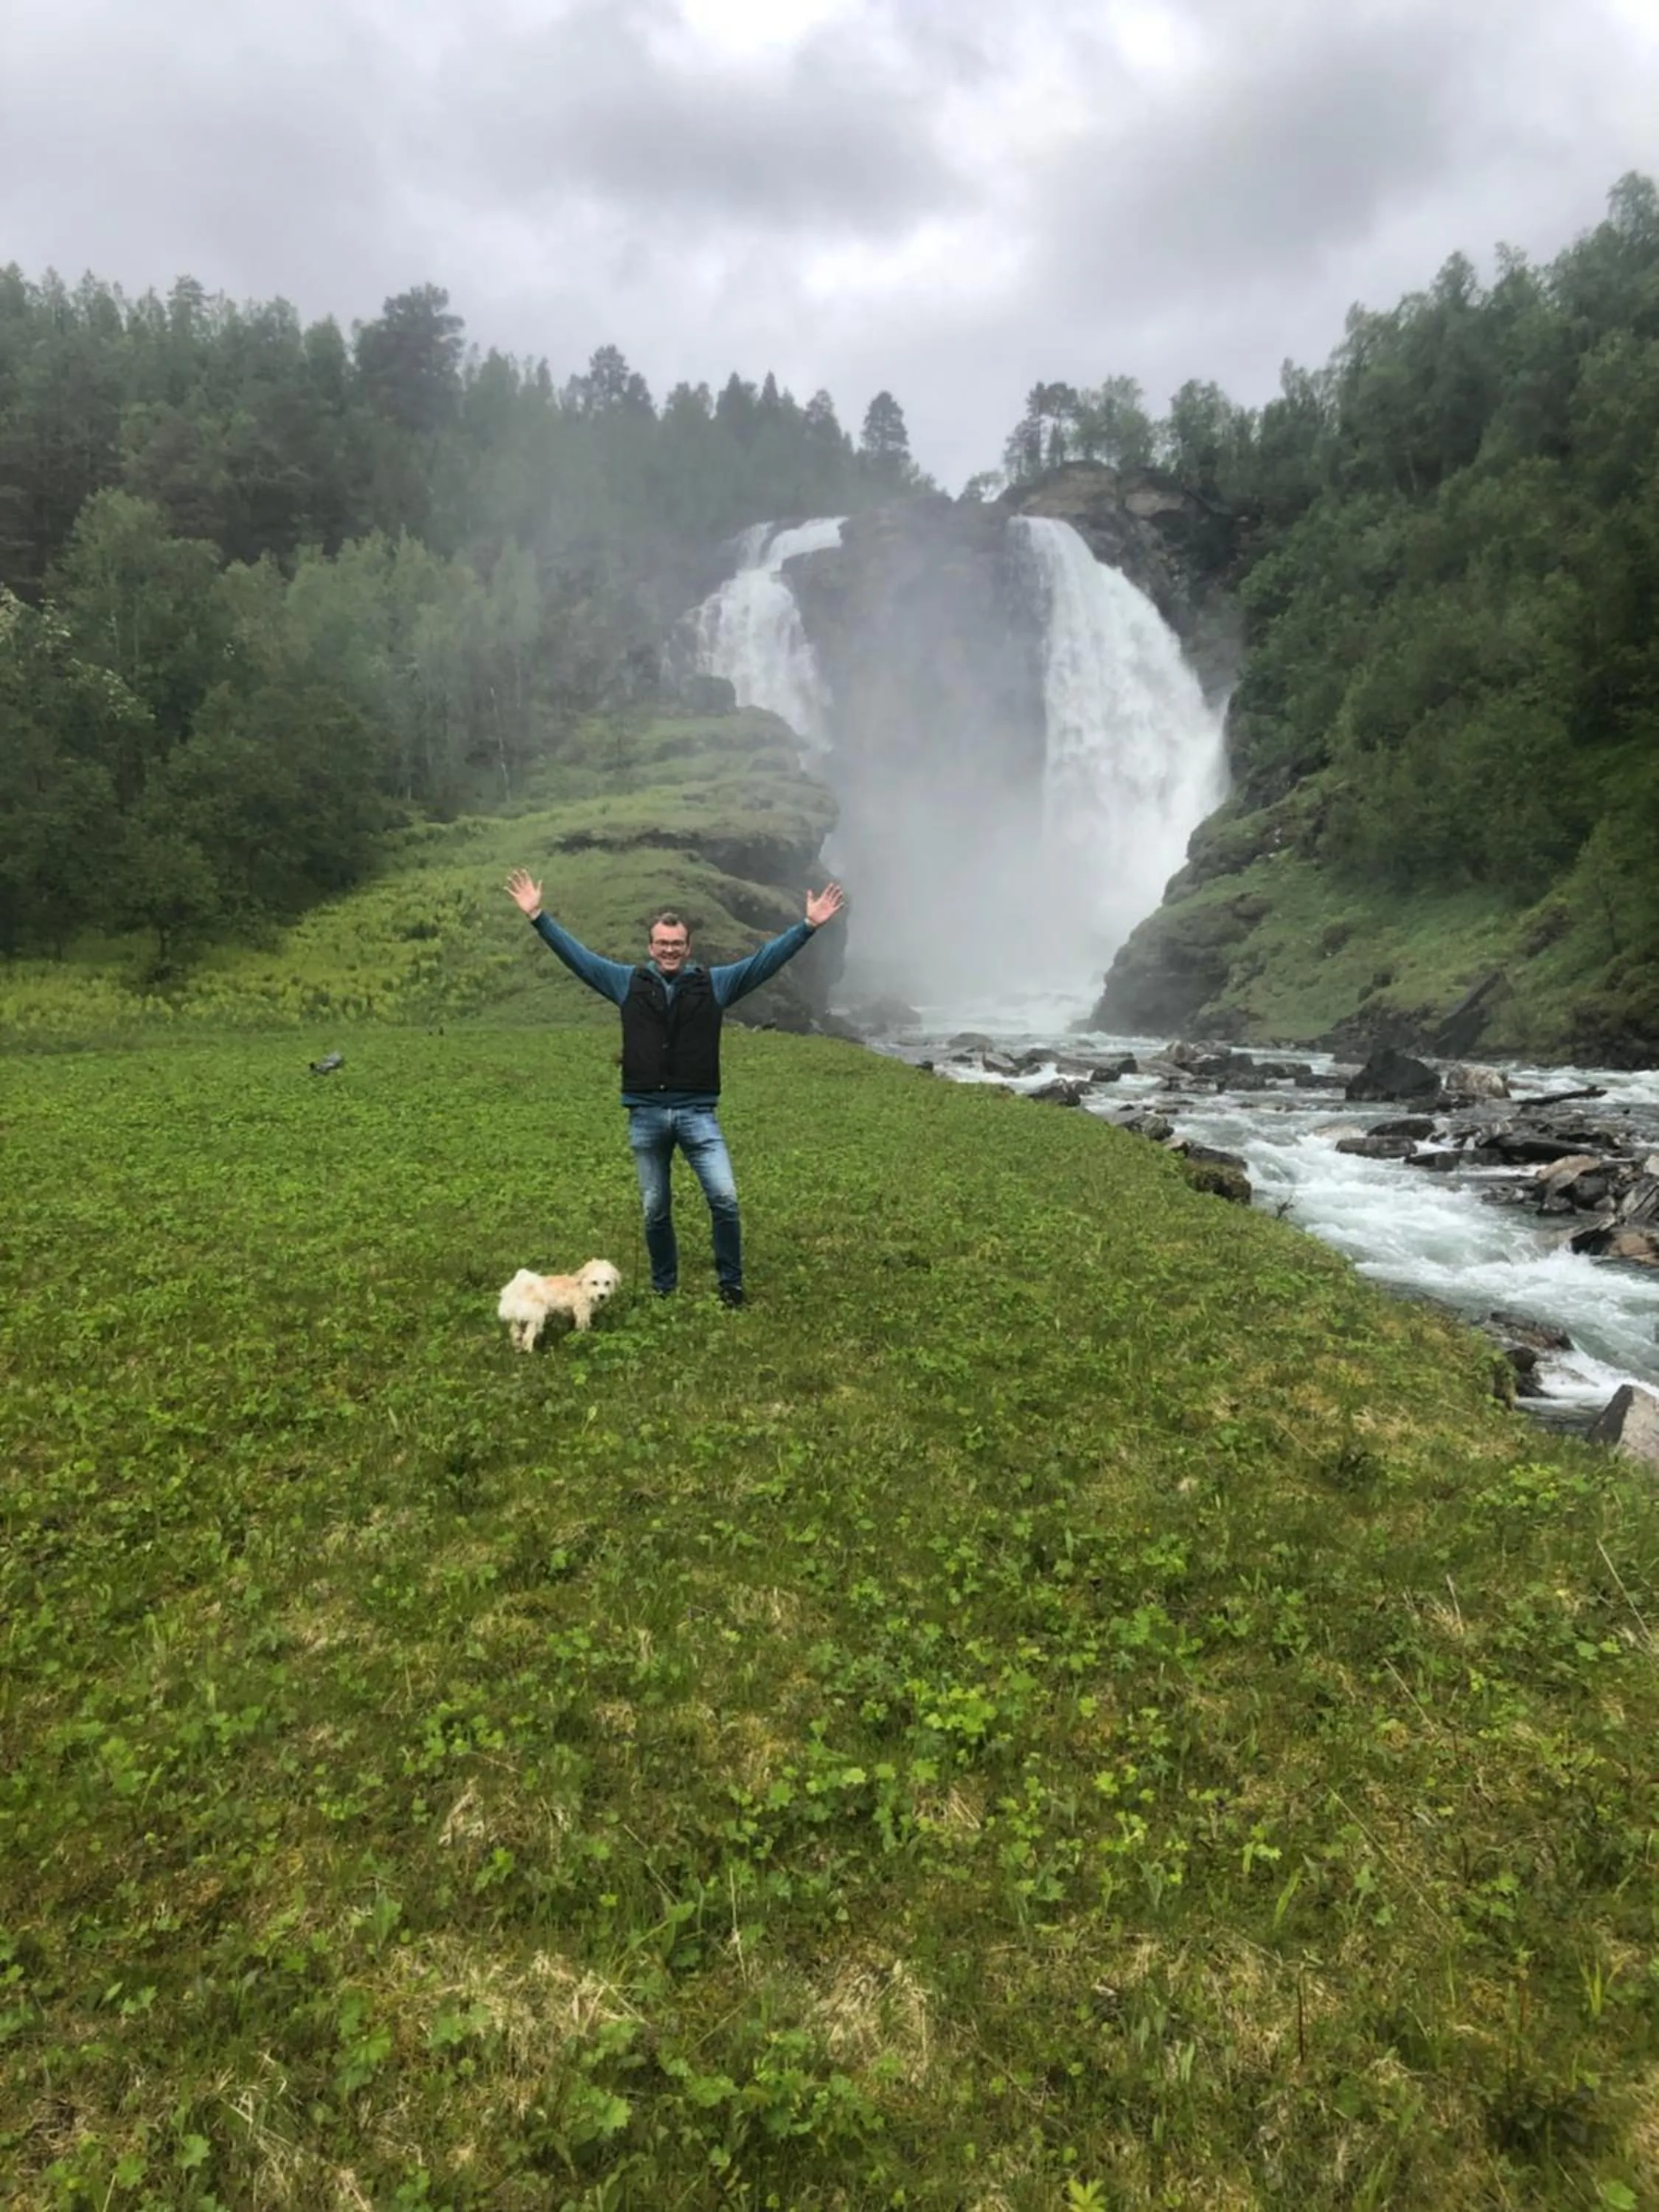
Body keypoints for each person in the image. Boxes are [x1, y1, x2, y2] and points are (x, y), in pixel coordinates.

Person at [505, 869, 846, 1306]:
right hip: (646, 1114)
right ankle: (664, 1287)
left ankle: (731, 1285)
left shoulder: (714, 984)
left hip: (697, 1113)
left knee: (724, 1198)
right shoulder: (626, 982)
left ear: (688, 949)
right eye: (662, 944)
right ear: (651, 948)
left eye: (677, 944)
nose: (669, 950)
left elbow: (764, 961)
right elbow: (579, 959)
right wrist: (538, 918)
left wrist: (808, 927)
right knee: (654, 1207)